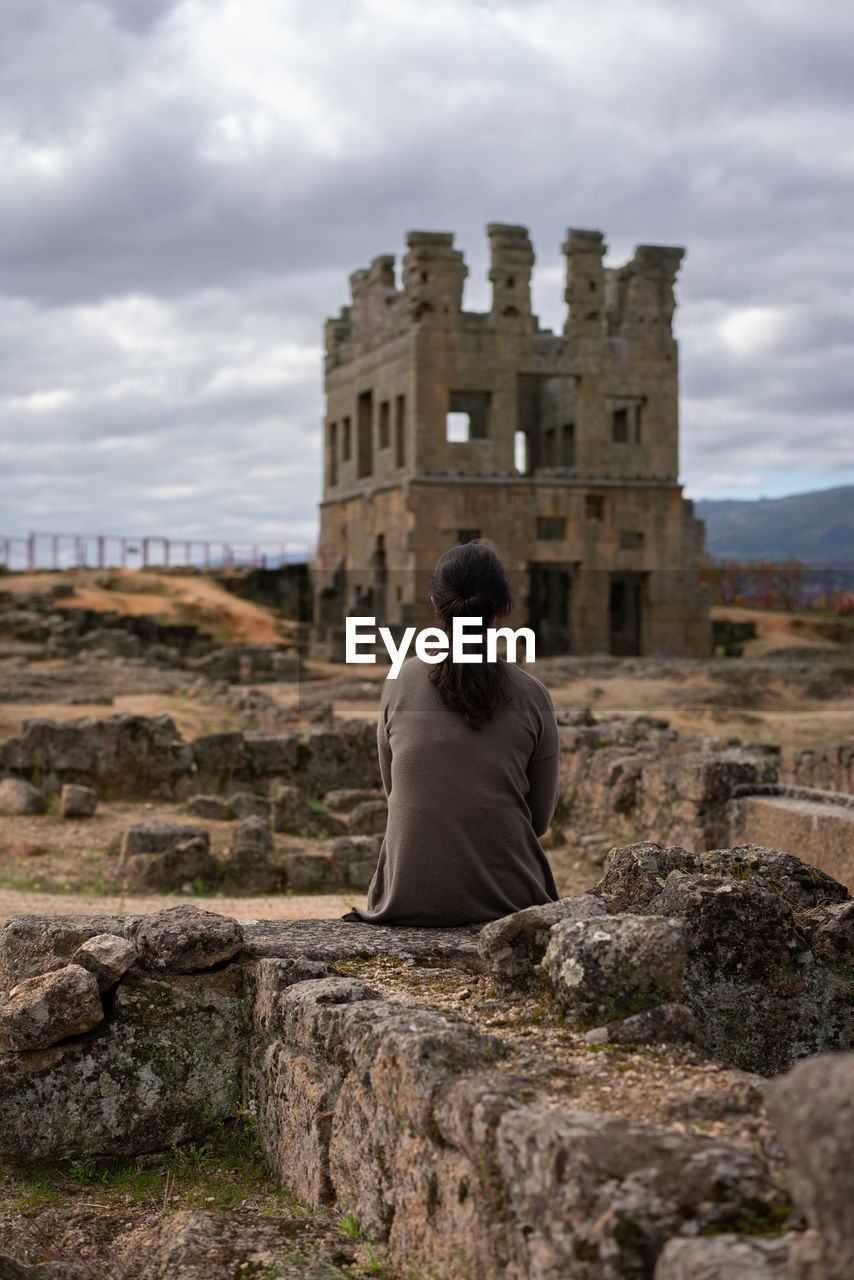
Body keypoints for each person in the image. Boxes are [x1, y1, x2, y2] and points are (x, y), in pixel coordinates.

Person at [346, 540, 560, 927]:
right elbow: (540, 821)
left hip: (405, 898)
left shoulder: (400, 681)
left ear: (434, 604)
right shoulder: (532, 694)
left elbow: (397, 792)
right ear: (502, 609)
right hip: (511, 902)